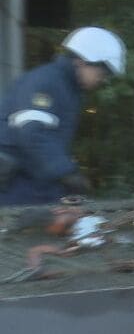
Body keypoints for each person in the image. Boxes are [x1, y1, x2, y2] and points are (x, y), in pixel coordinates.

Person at [0, 27, 125, 205]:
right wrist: (66, 173)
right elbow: (32, 133)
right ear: (82, 62)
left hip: (32, 183)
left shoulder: (66, 87)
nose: (101, 80)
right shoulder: (46, 83)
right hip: (14, 187)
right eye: (101, 73)